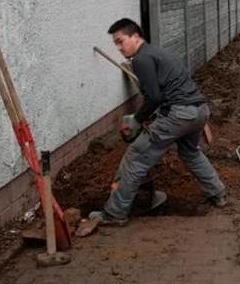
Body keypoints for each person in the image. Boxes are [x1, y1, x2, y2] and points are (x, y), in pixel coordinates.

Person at [90, 19, 227, 226]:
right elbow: (165, 93)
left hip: (179, 114)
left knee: (136, 157)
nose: (119, 48)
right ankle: (218, 193)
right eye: (115, 44)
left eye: (121, 41)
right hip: (199, 111)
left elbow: (154, 98)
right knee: (190, 152)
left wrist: (137, 119)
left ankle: (114, 214)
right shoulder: (157, 53)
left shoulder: (141, 59)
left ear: (136, 36)